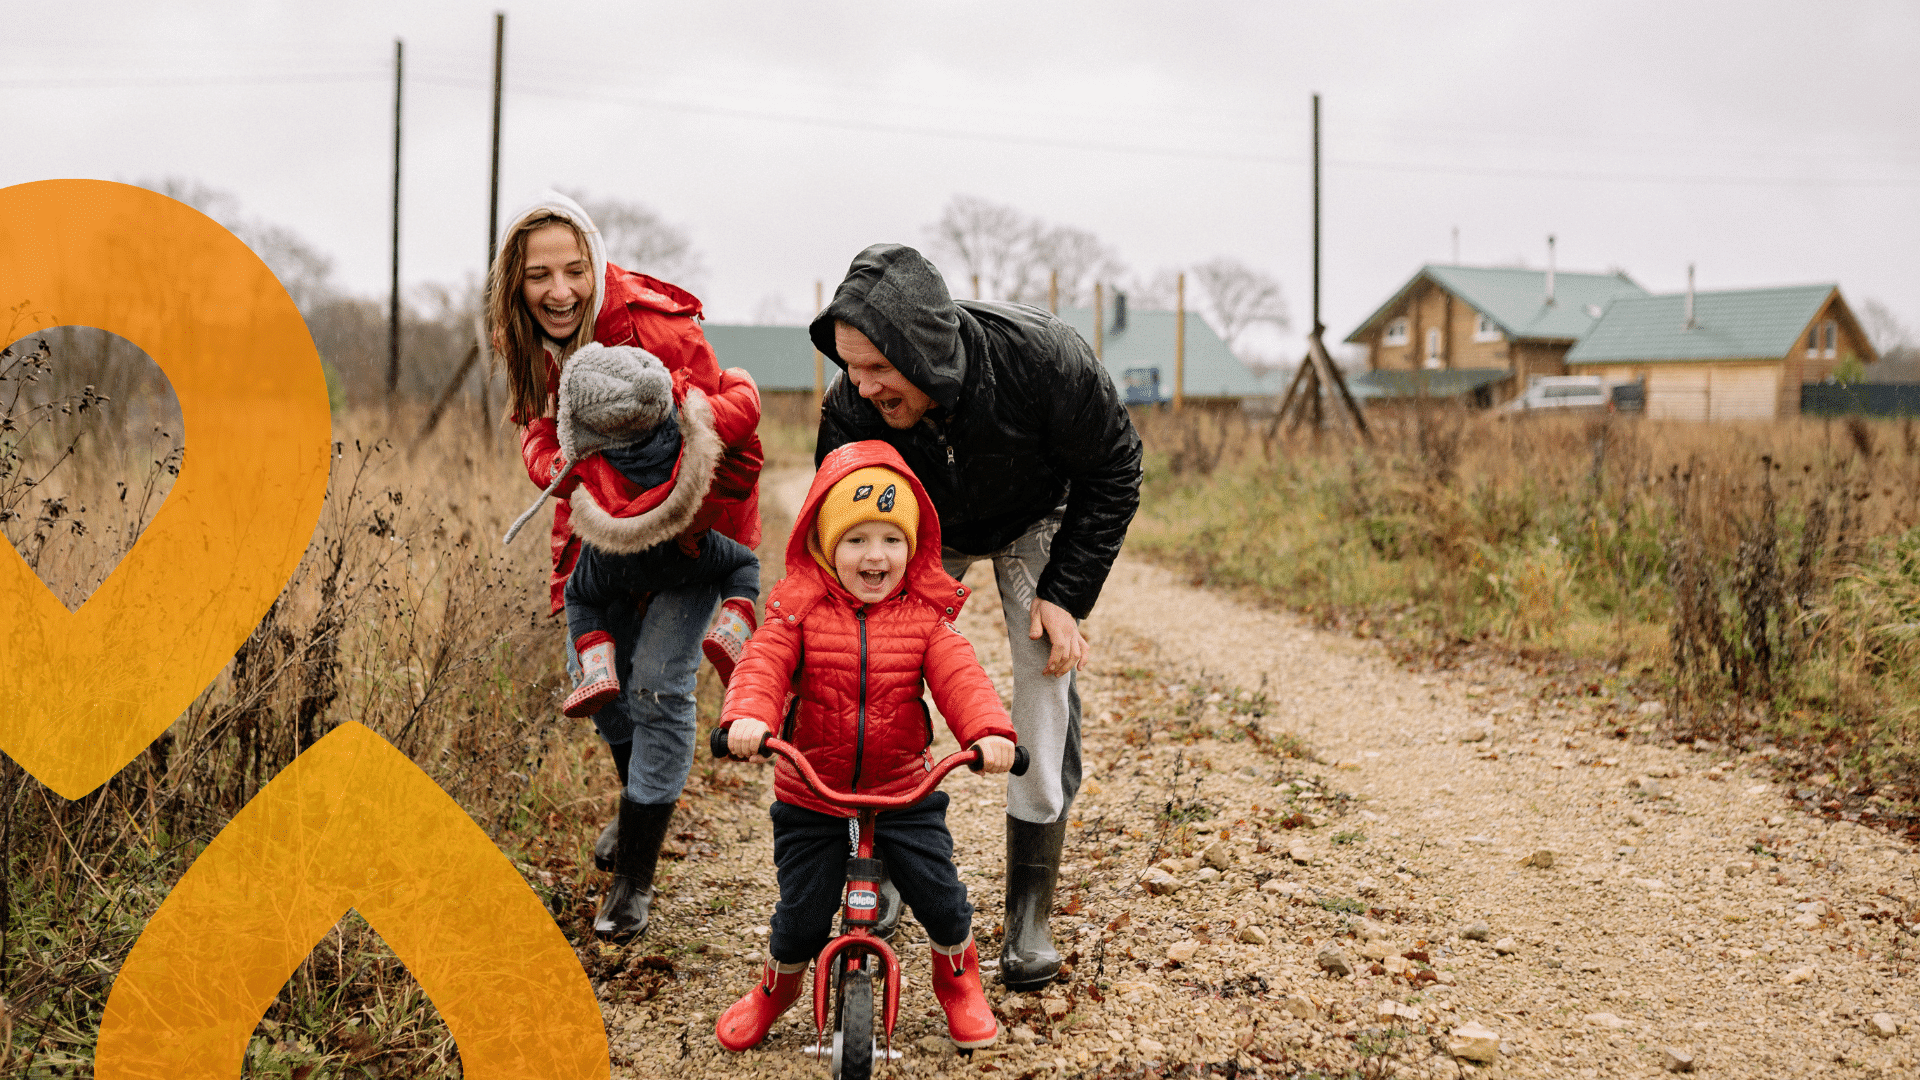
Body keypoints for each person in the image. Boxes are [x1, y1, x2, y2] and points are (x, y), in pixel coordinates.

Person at [811, 244, 1141, 991]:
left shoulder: (1046, 361)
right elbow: (835, 517)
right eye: (850, 367)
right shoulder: (851, 407)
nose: (860, 386)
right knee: (878, 663)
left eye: (875, 368)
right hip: (918, 526)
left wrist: (1066, 594)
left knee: (1043, 678)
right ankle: (881, 858)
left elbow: (1114, 470)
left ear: (921, 348)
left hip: (1036, 514)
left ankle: (1029, 916)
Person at [489, 192, 763, 942]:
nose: (559, 290)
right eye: (539, 274)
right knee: (604, 690)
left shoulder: (649, 327)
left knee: (655, 684)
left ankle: (634, 880)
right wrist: (558, 468)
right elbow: (535, 431)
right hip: (599, 535)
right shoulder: (526, 339)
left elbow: (730, 434)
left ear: (597, 265)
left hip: (690, 538)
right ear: (515, 283)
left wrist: (675, 521)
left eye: (575, 270)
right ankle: (636, 805)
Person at [712, 441, 1015, 1053]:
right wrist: (747, 717)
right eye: (856, 540)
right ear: (825, 546)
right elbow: (764, 665)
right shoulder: (796, 614)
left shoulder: (926, 620)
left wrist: (987, 733)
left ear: (914, 547)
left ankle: (958, 983)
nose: (875, 555)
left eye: (891, 539)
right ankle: (778, 989)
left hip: (906, 791)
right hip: (812, 795)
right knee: (799, 915)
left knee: (943, 899)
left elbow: (962, 678)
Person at [500, 341, 763, 719]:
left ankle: (597, 664)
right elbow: (745, 416)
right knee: (743, 564)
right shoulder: (688, 427)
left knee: (579, 596)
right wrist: (734, 378)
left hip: (611, 559)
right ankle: (734, 625)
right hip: (682, 552)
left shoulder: (582, 458)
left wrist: (538, 423)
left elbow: (542, 464)